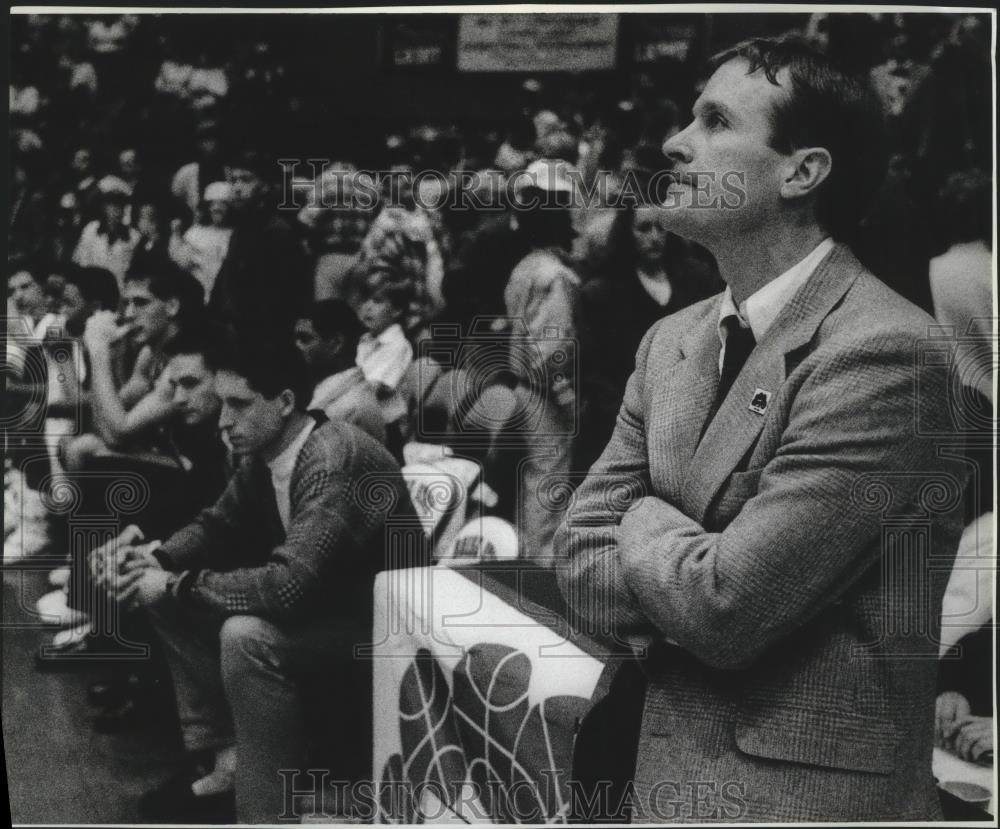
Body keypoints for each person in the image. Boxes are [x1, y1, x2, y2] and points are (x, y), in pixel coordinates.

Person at [557, 37, 966, 823]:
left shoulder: (888, 352)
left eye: (715, 120)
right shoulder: (669, 339)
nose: (677, 141)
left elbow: (727, 607)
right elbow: (576, 557)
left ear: (802, 172)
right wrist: (694, 563)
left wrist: (641, 515)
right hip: (636, 761)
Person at [112, 337, 426, 823]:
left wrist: (174, 583)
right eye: (223, 405)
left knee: (245, 636)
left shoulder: (332, 455)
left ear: (283, 402)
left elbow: (288, 587)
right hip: (336, 612)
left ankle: (263, 815)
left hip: (386, 632)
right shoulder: (268, 450)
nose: (224, 421)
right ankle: (227, 757)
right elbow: (218, 523)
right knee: (159, 589)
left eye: (239, 404)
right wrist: (155, 557)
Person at [577, 196, 721, 472]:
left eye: (661, 227)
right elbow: (594, 373)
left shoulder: (697, 279)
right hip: (621, 427)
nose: (654, 237)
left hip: (690, 422)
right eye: (643, 229)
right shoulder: (602, 293)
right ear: (626, 233)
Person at [504, 159, 582, 565]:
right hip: (544, 396)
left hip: (521, 388)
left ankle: (522, 557)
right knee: (547, 485)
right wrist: (567, 397)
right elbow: (553, 349)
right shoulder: (554, 275)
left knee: (530, 482)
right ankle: (540, 570)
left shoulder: (525, 267)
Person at [208, 147, 310, 338]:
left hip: (264, 340)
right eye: (233, 180)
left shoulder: (277, 232)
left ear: (264, 186)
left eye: (246, 180)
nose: (237, 188)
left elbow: (281, 300)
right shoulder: (241, 230)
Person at [293, 299, 385, 444]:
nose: (296, 346)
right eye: (295, 339)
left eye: (305, 339)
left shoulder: (351, 407)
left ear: (336, 343)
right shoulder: (334, 393)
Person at [354, 275, 416, 443]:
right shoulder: (365, 340)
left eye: (377, 301)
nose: (367, 307)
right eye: (364, 300)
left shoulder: (398, 345)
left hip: (386, 430)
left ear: (396, 310)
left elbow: (373, 389)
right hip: (360, 418)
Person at [71, 175, 140, 286]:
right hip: (93, 289)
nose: (116, 211)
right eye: (111, 205)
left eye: (120, 206)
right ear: (104, 207)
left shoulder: (133, 236)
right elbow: (83, 263)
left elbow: (134, 271)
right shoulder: (91, 230)